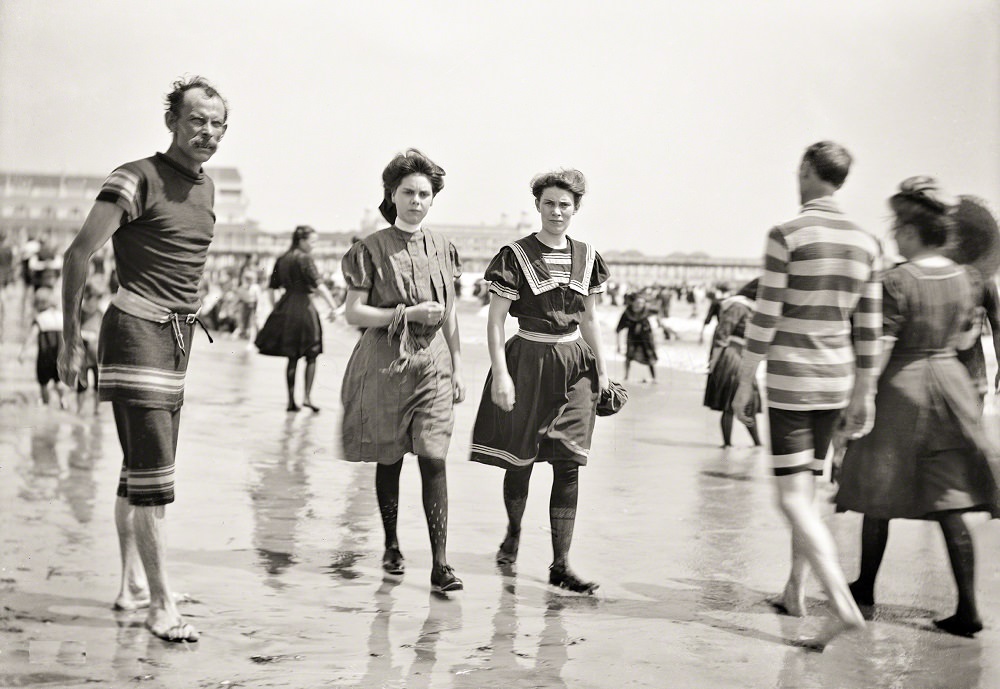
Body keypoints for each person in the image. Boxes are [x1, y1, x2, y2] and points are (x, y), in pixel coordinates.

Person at [57, 75, 230, 643]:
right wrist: (68, 341)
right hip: (136, 333)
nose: (207, 131)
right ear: (172, 122)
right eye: (197, 119)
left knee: (138, 472)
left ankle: (133, 585)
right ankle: (161, 606)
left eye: (217, 123)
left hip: (177, 342)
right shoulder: (136, 177)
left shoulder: (206, 189)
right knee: (155, 476)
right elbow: (77, 254)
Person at [836, 176, 1000, 638]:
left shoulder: (895, 280)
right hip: (952, 384)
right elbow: (969, 337)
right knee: (950, 499)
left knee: (876, 486)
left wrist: (860, 397)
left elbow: (883, 344)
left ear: (909, 232)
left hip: (901, 387)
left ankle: (866, 586)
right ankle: (967, 608)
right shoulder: (966, 279)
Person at [732, 141, 880, 650]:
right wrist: (866, 393)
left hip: (794, 380)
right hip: (839, 382)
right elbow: (871, 330)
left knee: (792, 499)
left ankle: (840, 603)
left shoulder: (787, 234)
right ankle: (795, 590)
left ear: (805, 171)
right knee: (810, 491)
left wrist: (745, 378)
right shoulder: (867, 242)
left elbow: (766, 315)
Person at [470, 168, 611, 594]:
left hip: (575, 367)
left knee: (570, 463)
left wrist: (603, 369)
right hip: (527, 360)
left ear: (576, 209)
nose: (556, 211)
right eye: (548, 203)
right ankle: (514, 531)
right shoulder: (515, 254)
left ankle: (561, 564)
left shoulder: (586, 255)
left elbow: (589, 318)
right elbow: (495, 321)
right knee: (521, 461)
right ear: (538, 206)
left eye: (564, 204)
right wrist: (501, 374)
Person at [339, 149, 465, 593]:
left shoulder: (445, 249)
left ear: (433, 200)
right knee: (390, 457)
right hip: (385, 364)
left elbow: (449, 312)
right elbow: (353, 313)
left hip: (434, 366)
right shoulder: (368, 250)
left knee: (434, 457)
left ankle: (440, 564)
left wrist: (459, 365)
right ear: (392, 195)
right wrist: (408, 312)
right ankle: (391, 544)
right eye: (408, 192)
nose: (416, 200)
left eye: (424, 194)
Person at [255, 226, 338, 411]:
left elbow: (271, 289)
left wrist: (277, 307)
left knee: (292, 356)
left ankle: (291, 401)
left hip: (286, 306)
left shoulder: (282, 259)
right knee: (312, 353)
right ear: (301, 241)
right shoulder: (305, 258)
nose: (314, 246)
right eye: (312, 241)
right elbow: (319, 286)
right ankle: (307, 397)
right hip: (305, 308)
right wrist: (334, 307)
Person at [703, 279, 762, 447]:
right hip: (732, 356)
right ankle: (728, 444)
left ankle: (756, 443)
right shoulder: (738, 306)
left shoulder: (745, 306)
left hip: (742, 356)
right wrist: (713, 362)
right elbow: (722, 334)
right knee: (731, 401)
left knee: (748, 401)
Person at [19, 286, 67, 408]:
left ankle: (46, 403)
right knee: (58, 381)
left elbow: (32, 336)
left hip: (45, 357)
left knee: (43, 383)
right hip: (60, 356)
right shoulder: (61, 316)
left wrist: (23, 351)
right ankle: (63, 400)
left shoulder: (40, 318)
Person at [76, 280, 105, 414]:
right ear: (87, 298)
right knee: (82, 384)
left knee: (98, 385)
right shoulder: (80, 313)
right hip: (83, 355)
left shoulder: (100, 313)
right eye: (95, 298)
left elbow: (106, 331)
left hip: (97, 354)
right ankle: (80, 409)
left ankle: (97, 409)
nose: (97, 301)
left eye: (99, 298)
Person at [616, 293, 657, 382]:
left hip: (646, 337)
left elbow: (658, 313)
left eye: (642, 303)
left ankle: (654, 378)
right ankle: (626, 376)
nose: (640, 305)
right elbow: (618, 329)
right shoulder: (627, 313)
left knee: (650, 356)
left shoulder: (647, 310)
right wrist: (618, 345)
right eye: (638, 303)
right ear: (633, 303)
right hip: (632, 337)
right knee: (628, 356)